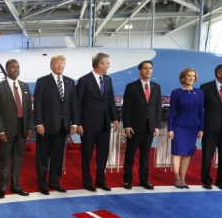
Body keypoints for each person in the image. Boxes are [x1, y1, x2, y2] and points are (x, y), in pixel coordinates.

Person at [33, 54, 78, 195]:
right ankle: (42, 184)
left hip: (63, 126)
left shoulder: (70, 82)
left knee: (58, 157)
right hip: (46, 127)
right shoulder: (42, 81)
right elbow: (38, 104)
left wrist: (75, 123)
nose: (60, 65)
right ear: (51, 65)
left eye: (62, 63)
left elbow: (73, 105)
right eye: (57, 63)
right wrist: (39, 123)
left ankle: (55, 182)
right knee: (43, 157)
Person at [76, 52, 119, 192]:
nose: (109, 65)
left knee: (103, 154)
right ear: (100, 64)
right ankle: (87, 181)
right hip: (88, 125)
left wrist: (115, 118)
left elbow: (111, 100)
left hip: (105, 125)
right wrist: (78, 123)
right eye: (107, 63)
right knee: (87, 155)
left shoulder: (108, 79)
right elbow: (77, 104)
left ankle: (101, 180)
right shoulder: (84, 80)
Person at [0, 59, 33, 199]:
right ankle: (2, 187)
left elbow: (28, 109)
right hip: (7, 130)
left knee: (18, 158)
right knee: (4, 159)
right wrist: (1, 131)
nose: (16, 69)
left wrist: (29, 128)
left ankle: (16, 186)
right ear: (6, 69)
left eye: (18, 67)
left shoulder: (25, 86)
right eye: (13, 67)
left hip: (22, 129)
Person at [122, 60, 162, 190]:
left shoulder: (156, 87)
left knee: (145, 156)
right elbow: (126, 108)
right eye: (145, 68)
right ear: (140, 71)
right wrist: (127, 126)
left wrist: (157, 126)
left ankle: (144, 180)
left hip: (149, 127)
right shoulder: (131, 87)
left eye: (150, 68)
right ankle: (128, 180)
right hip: (134, 128)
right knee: (130, 156)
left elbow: (158, 108)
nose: (148, 70)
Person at [168, 68, 204, 189]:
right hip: (178, 125)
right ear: (183, 78)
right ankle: (176, 177)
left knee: (187, 153)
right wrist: (170, 129)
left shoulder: (199, 92)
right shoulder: (176, 92)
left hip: (193, 126)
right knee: (177, 152)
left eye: (193, 76)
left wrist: (201, 128)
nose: (191, 78)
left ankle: (183, 178)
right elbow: (172, 112)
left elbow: (201, 111)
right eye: (189, 76)